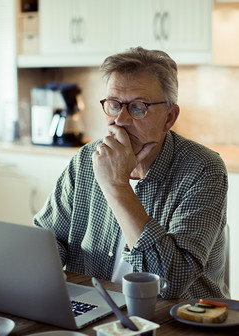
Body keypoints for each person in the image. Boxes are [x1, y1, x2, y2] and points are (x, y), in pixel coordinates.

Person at [34, 46, 229, 300]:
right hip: (96, 309)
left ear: (169, 117)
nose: (121, 120)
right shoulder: (85, 160)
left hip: (177, 320)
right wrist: (39, 267)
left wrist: (116, 186)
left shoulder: (203, 169)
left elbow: (170, 283)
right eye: (114, 105)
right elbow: (48, 238)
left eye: (138, 107)